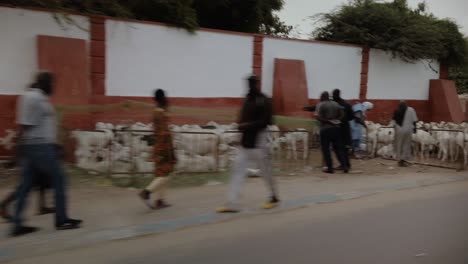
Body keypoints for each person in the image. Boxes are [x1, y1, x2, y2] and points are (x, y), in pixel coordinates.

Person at [11, 71, 82, 237]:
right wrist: (19, 148)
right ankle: (61, 219)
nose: (53, 87)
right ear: (45, 83)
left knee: (26, 185)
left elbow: (31, 125)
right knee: (59, 179)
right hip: (40, 147)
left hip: (35, 146)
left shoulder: (33, 96)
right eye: (51, 83)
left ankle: (17, 224)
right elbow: (25, 125)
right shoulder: (34, 98)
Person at [217, 74, 279, 213]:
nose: (250, 85)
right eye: (248, 83)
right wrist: (240, 126)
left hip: (259, 142)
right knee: (237, 171)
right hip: (246, 142)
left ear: (256, 84)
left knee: (266, 172)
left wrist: (246, 125)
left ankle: (274, 196)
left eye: (252, 83)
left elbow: (267, 121)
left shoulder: (263, 100)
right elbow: (242, 118)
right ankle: (232, 203)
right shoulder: (247, 99)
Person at [139, 89, 175, 210]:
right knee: (165, 175)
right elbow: (165, 133)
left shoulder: (156, 112)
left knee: (164, 174)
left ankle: (160, 200)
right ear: (164, 98)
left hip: (158, 147)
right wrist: (170, 150)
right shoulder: (162, 114)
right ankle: (147, 192)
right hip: (164, 148)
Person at [316, 91, 348, 174]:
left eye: (320, 96)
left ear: (323, 97)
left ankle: (330, 168)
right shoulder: (335, 104)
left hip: (325, 129)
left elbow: (318, 117)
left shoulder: (321, 105)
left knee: (326, 149)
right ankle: (344, 166)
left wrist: (328, 121)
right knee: (338, 148)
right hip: (336, 129)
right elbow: (342, 114)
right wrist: (337, 120)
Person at [392, 101, 418, 167]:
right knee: (406, 145)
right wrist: (415, 129)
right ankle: (403, 160)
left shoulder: (396, 111)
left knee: (399, 145)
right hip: (408, 130)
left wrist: (396, 130)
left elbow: (394, 122)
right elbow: (414, 120)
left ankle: (400, 160)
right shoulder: (411, 110)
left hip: (399, 131)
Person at [332, 89, 353, 169]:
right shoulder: (346, 104)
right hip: (345, 127)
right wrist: (345, 119)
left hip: (336, 127)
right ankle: (346, 164)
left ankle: (343, 165)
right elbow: (351, 117)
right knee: (344, 147)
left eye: (333, 94)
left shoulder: (333, 104)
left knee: (337, 147)